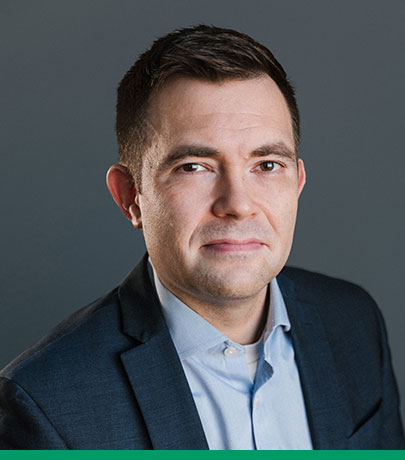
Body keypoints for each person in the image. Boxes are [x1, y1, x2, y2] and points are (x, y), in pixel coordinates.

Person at [0, 25, 403, 450]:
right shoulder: (45, 405)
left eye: (267, 165)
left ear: (298, 183)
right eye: (194, 166)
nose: (238, 204)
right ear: (130, 196)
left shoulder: (354, 324)